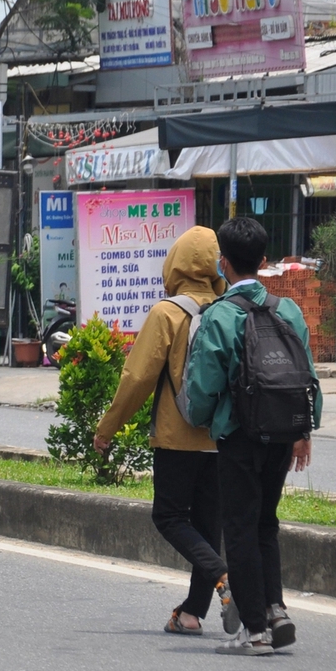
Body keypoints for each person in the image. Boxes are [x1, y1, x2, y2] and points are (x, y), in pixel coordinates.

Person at [183, 216, 321, 657]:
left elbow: (204, 386)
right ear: (263, 262)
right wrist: (305, 429)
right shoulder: (289, 311)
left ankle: (255, 631)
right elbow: (307, 376)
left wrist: (201, 420)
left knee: (239, 527)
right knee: (266, 522)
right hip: (283, 433)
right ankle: (275, 609)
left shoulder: (219, 316)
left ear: (223, 263)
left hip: (239, 436)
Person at [94, 225, 232, 635]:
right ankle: (191, 613)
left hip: (177, 437)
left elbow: (137, 379)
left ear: (174, 263)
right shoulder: (229, 309)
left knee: (170, 516)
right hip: (222, 439)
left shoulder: (167, 313)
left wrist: (108, 428)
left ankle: (223, 577)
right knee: (208, 527)